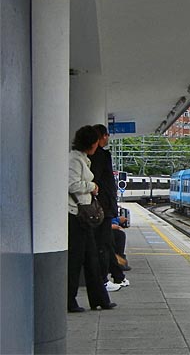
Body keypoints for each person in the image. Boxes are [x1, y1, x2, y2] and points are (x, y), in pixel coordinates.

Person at [68, 125, 115, 312]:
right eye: (96, 141)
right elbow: (72, 185)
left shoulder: (82, 159)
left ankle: (100, 299)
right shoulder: (74, 160)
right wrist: (92, 186)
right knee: (76, 259)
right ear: (91, 142)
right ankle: (70, 301)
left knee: (91, 258)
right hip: (76, 215)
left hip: (83, 217)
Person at [89, 124, 128, 291]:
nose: (108, 138)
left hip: (104, 206)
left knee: (107, 242)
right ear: (102, 137)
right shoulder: (101, 156)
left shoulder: (98, 155)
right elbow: (96, 178)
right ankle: (105, 279)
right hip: (103, 207)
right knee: (103, 244)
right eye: (107, 135)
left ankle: (117, 276)